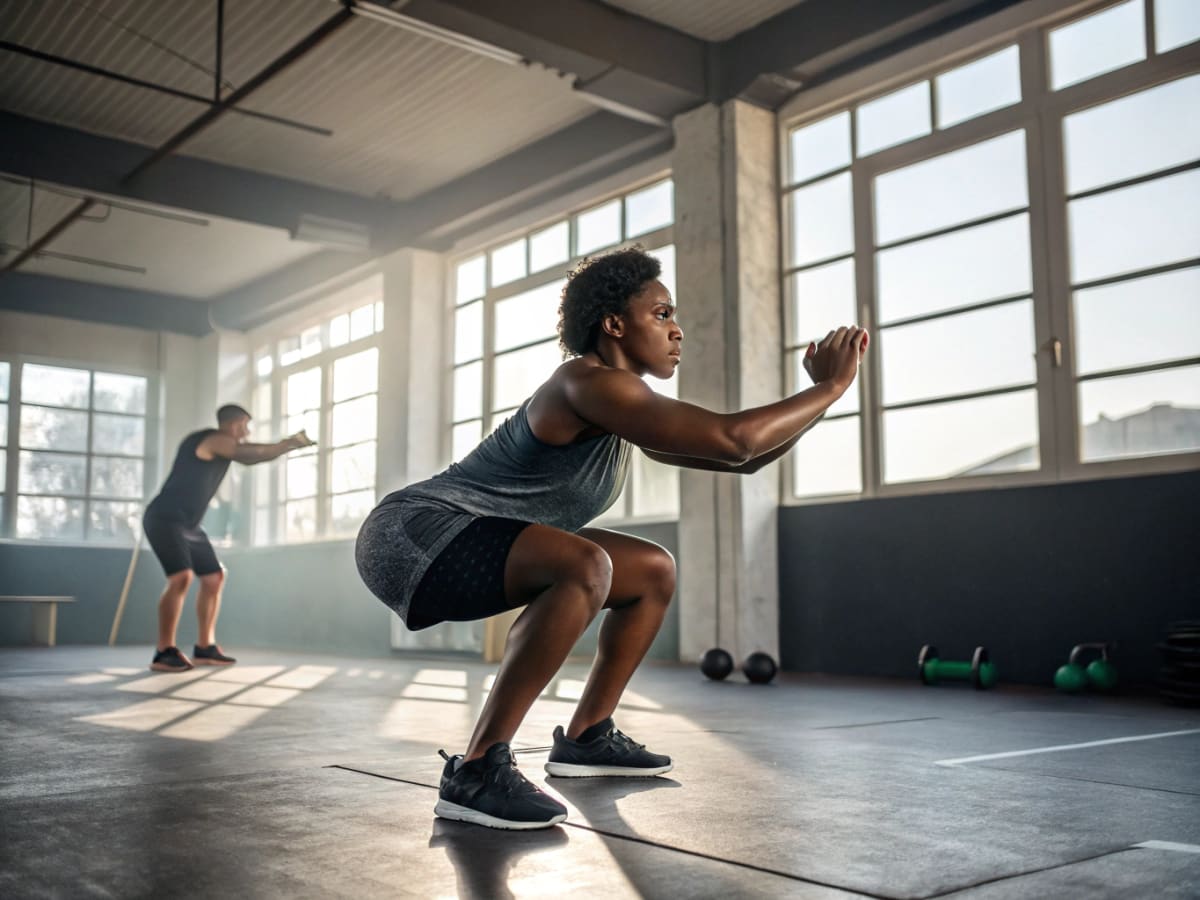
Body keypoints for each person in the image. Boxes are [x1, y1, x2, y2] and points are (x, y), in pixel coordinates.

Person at [355, 246, 868, 830]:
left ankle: (587, 737)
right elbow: (735, 440)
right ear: (615, 324)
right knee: (586, 565)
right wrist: (831, 387)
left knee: (651, 571)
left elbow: (744, 460)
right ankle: (475, 770)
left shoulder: (622, 409)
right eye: (662, 314)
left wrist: (823, 397)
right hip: (411, 533)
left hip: (459, 536)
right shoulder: (588, 383)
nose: (677, 330)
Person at [143, 404, 315, 672]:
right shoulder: (212, 439)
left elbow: (249, 452)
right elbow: (251, 455)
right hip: (164, 518)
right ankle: (164, 651)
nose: (246, 432)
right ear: (234, 423)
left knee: (214, 577)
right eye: (245, 425)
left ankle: (205, 647)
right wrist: (289, 443)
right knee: (181, 577)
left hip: (190, 525)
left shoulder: (219, 443)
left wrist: (285, 445)